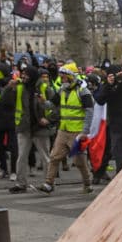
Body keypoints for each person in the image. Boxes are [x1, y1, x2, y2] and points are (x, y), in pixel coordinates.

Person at [38, 65, 95, 194]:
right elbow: (52, 105)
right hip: (63, 130)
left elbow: (90, 112)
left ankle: (87, 183)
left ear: (70, 75)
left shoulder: (83, 91)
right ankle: (49, 183)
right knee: (54, 156)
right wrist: (43, 102)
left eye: (63, 75)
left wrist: (85, 132)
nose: (61, 78)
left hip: (77, 132)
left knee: (79, 161)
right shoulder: (62, 90)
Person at [5, 66, 53, 193]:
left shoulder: (44, 87)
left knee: (45, 157)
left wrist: (49, 120)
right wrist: (9, 87)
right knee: (21, 156)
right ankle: (21, 184)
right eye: (23, 74)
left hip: (40, 127)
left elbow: (55, 106)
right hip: (24, 127)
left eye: (26, 74)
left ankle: (49, 182)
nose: (23, 76)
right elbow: (4, 100)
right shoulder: (19, 87)